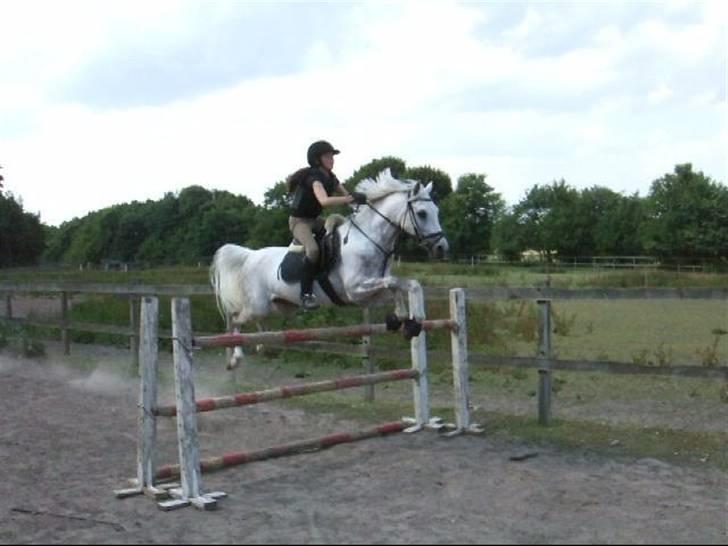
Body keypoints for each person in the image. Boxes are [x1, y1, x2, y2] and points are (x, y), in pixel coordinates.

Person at [287, 140, 366, 310]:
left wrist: (362, 200)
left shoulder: (331, 178)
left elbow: (348, 195)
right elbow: (323, 201)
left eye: (332, 156)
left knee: (339, 235)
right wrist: (348, 199)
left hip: (315, 221)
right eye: (328, 156)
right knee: (313, 250)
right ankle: (305, 294)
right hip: (299, 222)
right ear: (317, 160)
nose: (332, 160)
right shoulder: (314, 179)